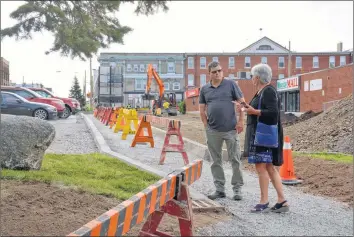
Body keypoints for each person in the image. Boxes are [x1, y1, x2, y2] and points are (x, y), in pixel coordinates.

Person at [240, 63, 289, 213]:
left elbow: (273, 113)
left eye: (252, 76)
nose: (251, 79)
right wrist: (246, 106)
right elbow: (261, 109)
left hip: (263, 136)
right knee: (269, 168)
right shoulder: (262, 91)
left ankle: (264, 201)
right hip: (262, 135)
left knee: (261, 167)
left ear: (257, 77)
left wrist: (254, 111)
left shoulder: (268, 91)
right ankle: (282, 201)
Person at [199, 61, 246, 201]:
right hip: (213, 131)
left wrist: (241, 120)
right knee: (215, 161)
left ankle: (237, 189)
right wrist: (206, 125)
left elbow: (242, 103)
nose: (217, 73)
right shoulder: (205, 89)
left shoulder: (231, 85)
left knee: (235, 159)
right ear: (209, 74)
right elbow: (202, 109)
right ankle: (220, 189)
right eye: (214, 72)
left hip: (231, 130)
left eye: (219, 70)